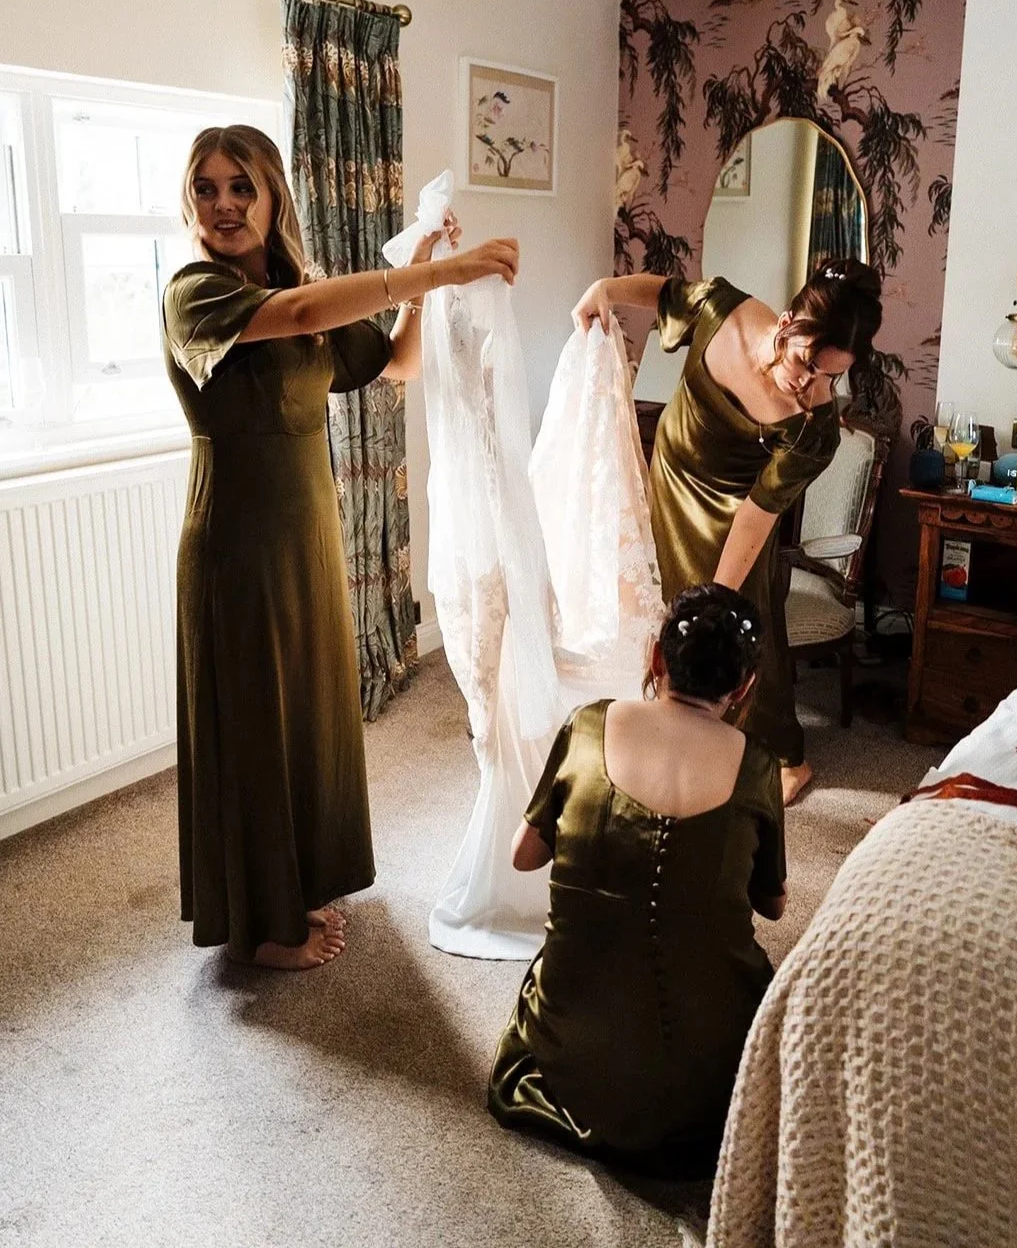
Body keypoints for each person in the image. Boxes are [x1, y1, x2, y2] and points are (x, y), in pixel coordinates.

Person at [163, 124, 518, 970]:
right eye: (207, 188)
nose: (223, 205)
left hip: (308, 535)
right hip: (236, 542)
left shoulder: (302, 289)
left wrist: (423, 286)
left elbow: (393, 363)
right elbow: (301, 314)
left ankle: (302, 878)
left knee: (307, 715)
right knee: (252, 724)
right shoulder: (196, 293)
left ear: (272, 194)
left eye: (240, 187)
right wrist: (443, 267)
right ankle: (261, 926)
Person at [488, 584, 786, 1175]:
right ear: (745, 685)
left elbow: (523, 856)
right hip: (704, 1084)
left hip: (570, 1057)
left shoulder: (589, 724)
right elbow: (773, 905)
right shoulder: (755, 764)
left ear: (656, 658)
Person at [571, 258, 882, 804]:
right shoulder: (723, 310)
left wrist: (716, 598)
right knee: (662, 603)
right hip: (672, 481)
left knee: (738, 623)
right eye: (809, 363)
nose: (813, 385)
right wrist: (606, 289)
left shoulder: (816, 429)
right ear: (787, 324)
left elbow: (758, 513)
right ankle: (674, 725)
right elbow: (665, 291)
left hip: (736, 515)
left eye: (833, 376)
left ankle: (786, 756)